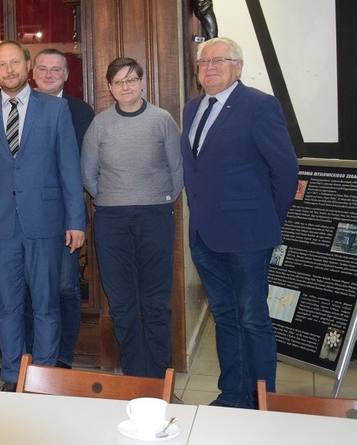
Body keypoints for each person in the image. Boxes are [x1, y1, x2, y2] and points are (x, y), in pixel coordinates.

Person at [182, 37, 298, 408]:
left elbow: (285, 170)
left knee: (253, 319)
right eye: (204, 62)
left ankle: (262, 401)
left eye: (220, 60)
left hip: (249, 235)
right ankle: (232, 394)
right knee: (225, 317)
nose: (210, 67)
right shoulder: (192, 108)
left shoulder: (259, 105)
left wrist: (266, 220)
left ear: (238, 66)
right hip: (205, 236)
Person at [0, 41, 85, 391]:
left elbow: (69, 169)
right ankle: (12, 375)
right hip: (0, 226)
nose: (9, 70)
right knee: (8, 306)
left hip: (46, 222)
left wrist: (76, 220)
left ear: (27, 66)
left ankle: (42, 377)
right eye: (1, 65)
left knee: (46, 304)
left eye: (14, 62)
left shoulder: (54, 110)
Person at [81, 57, 183, 378]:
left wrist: (159, 199)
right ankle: (136, 375)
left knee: (155, 302)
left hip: (156, 216)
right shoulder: (100, 124)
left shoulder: (162, 120)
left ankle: (157, 376)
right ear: (110, 88)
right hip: (111, 220)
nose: (125, 87)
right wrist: (112, 199)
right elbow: (88, 174)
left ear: (142, 82)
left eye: (131, 80)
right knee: (122, 302)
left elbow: (177, 170)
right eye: (118, 82)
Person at [31, 48, 94, 370]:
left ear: (66, 75)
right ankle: (31, 359)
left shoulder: (81, 112)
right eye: (43, 69)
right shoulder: (19, 109)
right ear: (33, 72)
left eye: (56, 70)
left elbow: (82, 167)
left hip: (64, 214)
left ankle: (62, 357)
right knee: (29, 288)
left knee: (66, 287)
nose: (49, 75)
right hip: (26, 216)